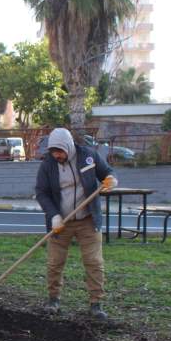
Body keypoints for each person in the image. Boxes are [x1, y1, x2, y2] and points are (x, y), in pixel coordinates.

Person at [36, 127, 118, 320]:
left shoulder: (88, 156)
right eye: (53, 151)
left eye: (59, 151)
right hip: (60, 222)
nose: (57, 155)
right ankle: (53, 299)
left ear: (68, 146)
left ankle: (96, 303)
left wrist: (110, 180)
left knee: (94, 262)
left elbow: (106, 172)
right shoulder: (48, 164)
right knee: (55, 263)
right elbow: (41, 192)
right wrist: (53, 215)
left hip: (87, 219)